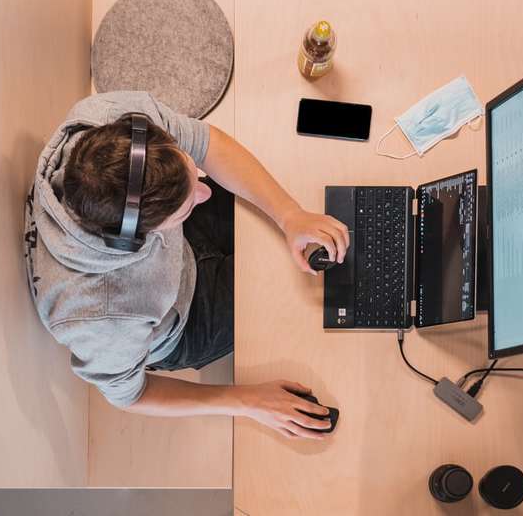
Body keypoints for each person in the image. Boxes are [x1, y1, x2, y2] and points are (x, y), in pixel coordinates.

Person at [23, 91, 349, 440]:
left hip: (179, 250)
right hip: (185, 319)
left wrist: (290, 215)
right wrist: (248, 401)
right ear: (138, 238)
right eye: (187, 205)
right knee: (303, 295)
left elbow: (207, 144)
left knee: (315, 234)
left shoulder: (106, 117)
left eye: (190, 171)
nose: (205, 193)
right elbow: (131, 395)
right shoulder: (101, 316)